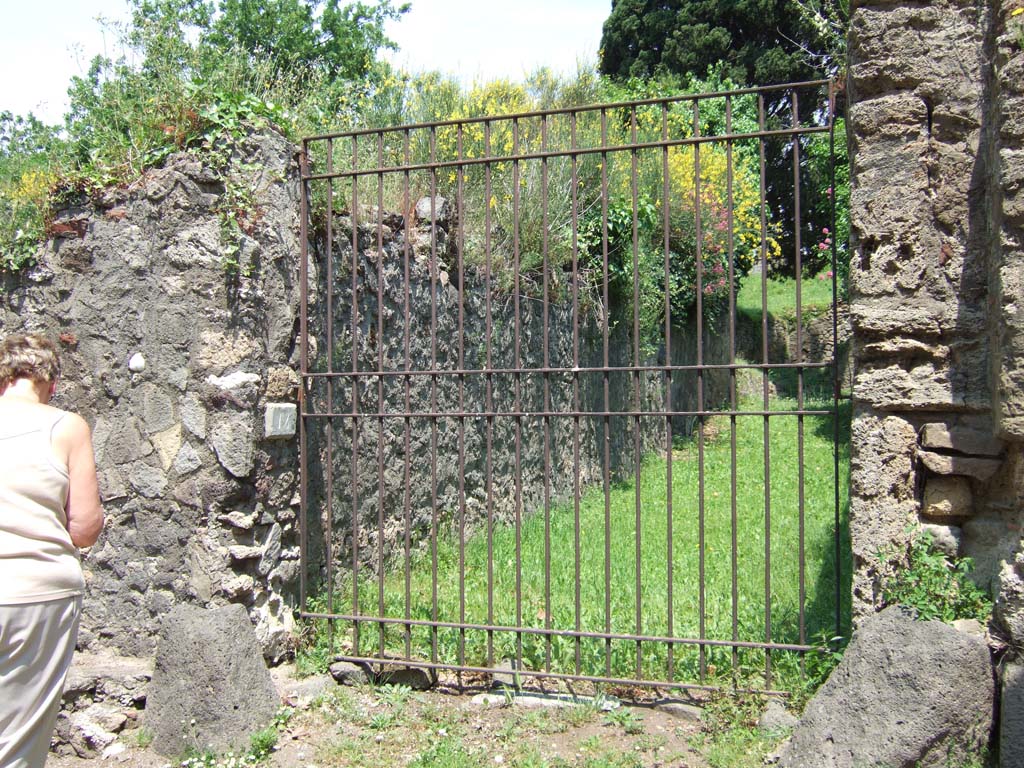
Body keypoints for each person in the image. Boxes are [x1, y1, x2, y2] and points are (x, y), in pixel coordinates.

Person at [0, 333, 104, 768]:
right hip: (37, 592)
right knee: (18, 738)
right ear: (52, 383)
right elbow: (83, 529)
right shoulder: (66, 427)